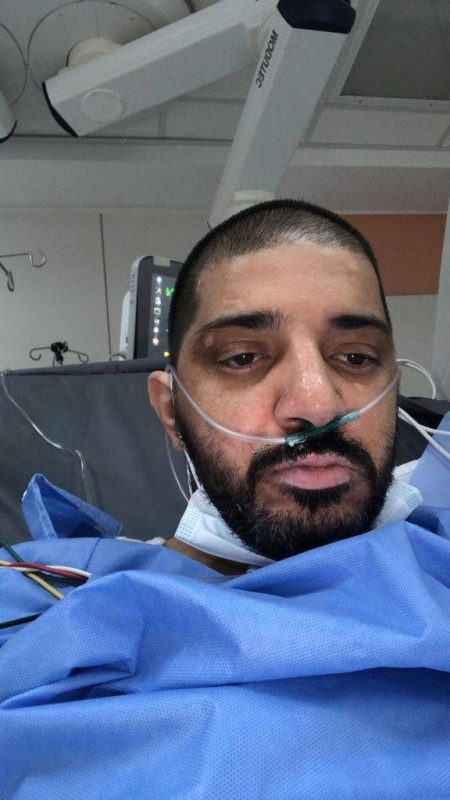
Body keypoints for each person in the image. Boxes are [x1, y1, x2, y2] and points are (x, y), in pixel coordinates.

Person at [1, 200, 450, 799]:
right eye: (242, 357)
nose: (317, 405)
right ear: (171, 411)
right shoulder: (49, 607)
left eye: (356, 357)